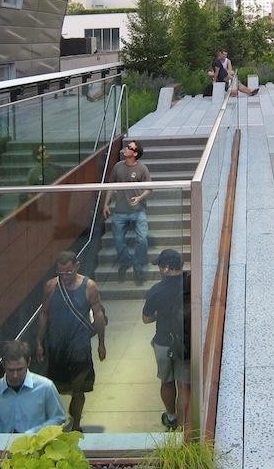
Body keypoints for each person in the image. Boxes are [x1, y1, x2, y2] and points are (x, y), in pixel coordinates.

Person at [37, 252, 106, 432]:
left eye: (68, 272)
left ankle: (76, 425)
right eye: (61, 273)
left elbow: (98, 314)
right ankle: (59, 420)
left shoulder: (89, 286)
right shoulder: (51, 286)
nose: (65, 277)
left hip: (79, 346)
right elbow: (44, 313)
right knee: (56, 387)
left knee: (79, 388)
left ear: (77, 266)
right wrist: (39, 342)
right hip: (57, 345)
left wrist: (101, 343)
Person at [142, 249, 191, 432]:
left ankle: (171, 417)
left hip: (164, 342)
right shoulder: (190, 283)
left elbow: (146, 319)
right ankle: (184, 423)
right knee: (183, 383)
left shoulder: (156, 291)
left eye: (160, 266)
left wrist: (158, 314)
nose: (159, 270)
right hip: (186, 342)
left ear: (166, 268)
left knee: (167, 381)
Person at [0, 340, 66, 434]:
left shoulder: (46, 387)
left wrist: (33, 433)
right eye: (11, 370)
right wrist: (1, 440)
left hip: (37, 445)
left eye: (20, 369)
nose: (15, 375)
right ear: (3, 365)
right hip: (2, 447)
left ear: (28, 362)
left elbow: (58, 419)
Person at [103, 139, 151, 284]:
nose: (126, 148)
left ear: (135, 153)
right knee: (118, 241)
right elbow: (110, 186)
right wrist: (105, 204)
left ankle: (137, 266)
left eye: (129, 147)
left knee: (142, 240)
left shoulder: (142, 169)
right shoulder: (118, 167)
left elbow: (149, 188)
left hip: (138, 210)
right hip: (120, 211)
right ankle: (126, 261)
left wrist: (139, 197)